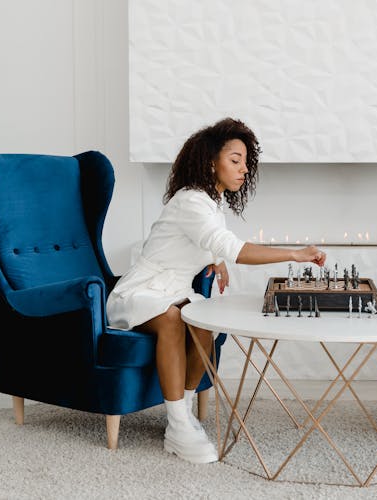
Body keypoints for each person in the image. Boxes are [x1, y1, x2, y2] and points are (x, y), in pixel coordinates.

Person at [107, 118, 326, 464]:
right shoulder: (191, 201)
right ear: (211, 161)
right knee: (172, 318)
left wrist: (216, 260)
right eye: (235, 160)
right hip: (142, 293)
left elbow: (207, 242)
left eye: (245, 162)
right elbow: (234, 247)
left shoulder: (212, 202)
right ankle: (178, 425)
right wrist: (295, 253)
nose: (243, 169)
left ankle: (183, 416)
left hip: (174, 291)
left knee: (203, 320)